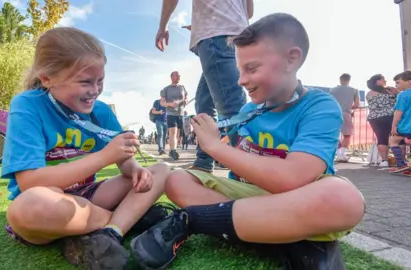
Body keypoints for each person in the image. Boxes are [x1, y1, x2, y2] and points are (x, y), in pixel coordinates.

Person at [131, 13, 365, 270]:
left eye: (251, 68)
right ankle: (284, 236)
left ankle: (198, 220)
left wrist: (215, 147)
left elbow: (293, 178)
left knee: (345, 198)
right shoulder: (247, 112)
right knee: (177, 179)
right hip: (253, 201)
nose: (241, 80)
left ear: (292, 58)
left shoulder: (320, 106)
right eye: (240, 70)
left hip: (297, 197)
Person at [1, 27, 170, 270]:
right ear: (47, 79)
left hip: (89, 196)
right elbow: (30, 182)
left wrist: (134, 169)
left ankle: (109, 233)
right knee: (26, 209)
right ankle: (122, 221)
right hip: (48, 203)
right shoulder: (27, 105)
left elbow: (122, 157)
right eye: (85, 82)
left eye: (100, 80)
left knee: (160, 171)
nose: (95, 90)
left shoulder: (101, 111)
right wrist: (104, 156)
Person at [155, 0, 252, 172]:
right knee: (204, 103)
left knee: (230, 107)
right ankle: (204, 161)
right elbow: (249, 11)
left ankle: (249, 172)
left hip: (215, 35)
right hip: (240, 33)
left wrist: (163, 27)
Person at [366, 74, 400, 167]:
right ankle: (400, 161)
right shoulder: (388, 91)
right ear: (377, 81)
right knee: (397, 137)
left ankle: (384, 161)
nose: (385, 81)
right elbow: (397, 102)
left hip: (374, 117)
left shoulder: (369, 93)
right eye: (383, 79)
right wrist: (396, 92)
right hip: (389, 116)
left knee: (381, 138)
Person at [329, 73, 360, 162]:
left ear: (340, 79)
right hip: (345, 113)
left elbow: (329, 102)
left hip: (333, 113)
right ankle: (341, 153)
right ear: (349, 80)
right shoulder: (354, 90)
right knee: (347, 135)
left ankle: (338, 153)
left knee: (335, 134)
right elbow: (357, 104)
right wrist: (350, 108)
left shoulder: (333, 90)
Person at [389, 71, 411, 174]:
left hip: (407, 125)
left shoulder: (402, 95)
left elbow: (398, 112)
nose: (396, 85)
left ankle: (401, 164)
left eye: (398, 82)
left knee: (393, 140)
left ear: (408, 82)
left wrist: (394, 125)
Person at [160, 71, 187, 160]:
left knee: (178, 133)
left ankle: (171, 150)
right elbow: (162, 102)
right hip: (171, 113)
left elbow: (185, 98)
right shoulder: (166, 89)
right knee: (173, 131)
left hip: (181, 113)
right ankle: (173, 150)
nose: (179, 77)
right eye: (177, 75)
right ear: (171, 77)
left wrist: (185, 101)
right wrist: (171, 104)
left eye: (179, 75)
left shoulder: (182, 88)